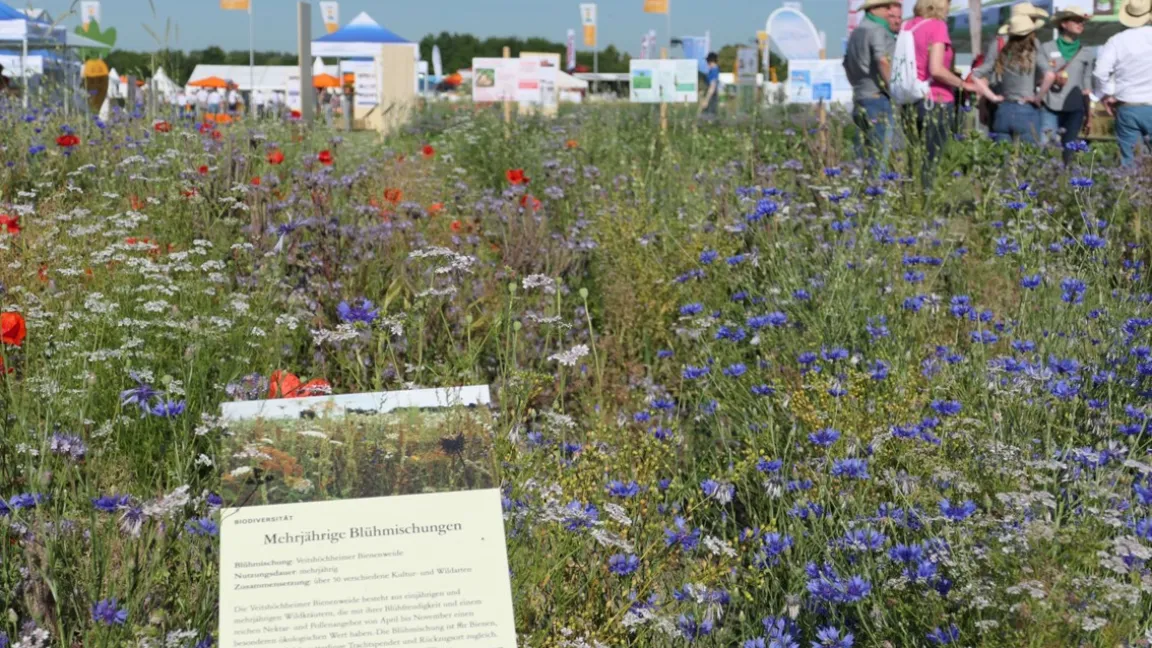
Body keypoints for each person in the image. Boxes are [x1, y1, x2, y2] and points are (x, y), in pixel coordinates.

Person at [902, 0, 994, 188]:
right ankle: (925, 201)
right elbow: (936, 69)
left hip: (910, 99)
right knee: (931, 159)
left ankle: (909, 200)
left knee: (914, 157)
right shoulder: (936, 26)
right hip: (936, 99)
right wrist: (963, 85)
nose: (948, 8)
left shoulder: (909, 26)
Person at [972, 15, 1056, 144]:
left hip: (1003, 110)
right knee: (1028, 159)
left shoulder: (1003, 52)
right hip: (1026, 109)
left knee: (1002, 159)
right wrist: (1038, 97)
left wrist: (992, 97)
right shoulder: (1033, 50)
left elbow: (976, 74)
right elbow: (1050, 75)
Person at [1093, 0, 1152, 167]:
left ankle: (1131, 192)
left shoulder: (1117, 40)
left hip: (1128, 106)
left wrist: (1108, 92)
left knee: (1130, 162)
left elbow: (1100, 72)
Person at [844, 0, 902, 169]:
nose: (888, 11)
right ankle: (877, 192)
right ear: (874, 9)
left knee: (862, 155)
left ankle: (862, 192)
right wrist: (894, 89)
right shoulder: (877, 30)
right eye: (885, 7)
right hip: (878, 97)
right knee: (879, 154)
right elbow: (882, 60)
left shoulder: (857, 32)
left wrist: (857, 85)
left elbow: (846, 63)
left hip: (860, 95)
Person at [1038, 6, 1094, 163]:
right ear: (1063, 24)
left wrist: (1089, 116)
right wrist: (1052, 79)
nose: (1080, 24)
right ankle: (1043, 181)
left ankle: (1065, 183)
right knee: (1045, 148)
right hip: (1050, 107)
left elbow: (1086, 86)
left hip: (1075, 109)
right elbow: (1037, 79)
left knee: (1069, 151)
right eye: (1076, 20)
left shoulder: (1087, 53)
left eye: (1082, 21)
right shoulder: (1046, 48)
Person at [699, 52, 720, 119]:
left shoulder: (714, 71)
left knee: (708, 117)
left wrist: (706, 100)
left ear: (710, 61)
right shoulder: (713, 70)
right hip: (711, 95)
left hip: (711, 97)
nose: (707, 63)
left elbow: (712, 86)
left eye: (707, 61)